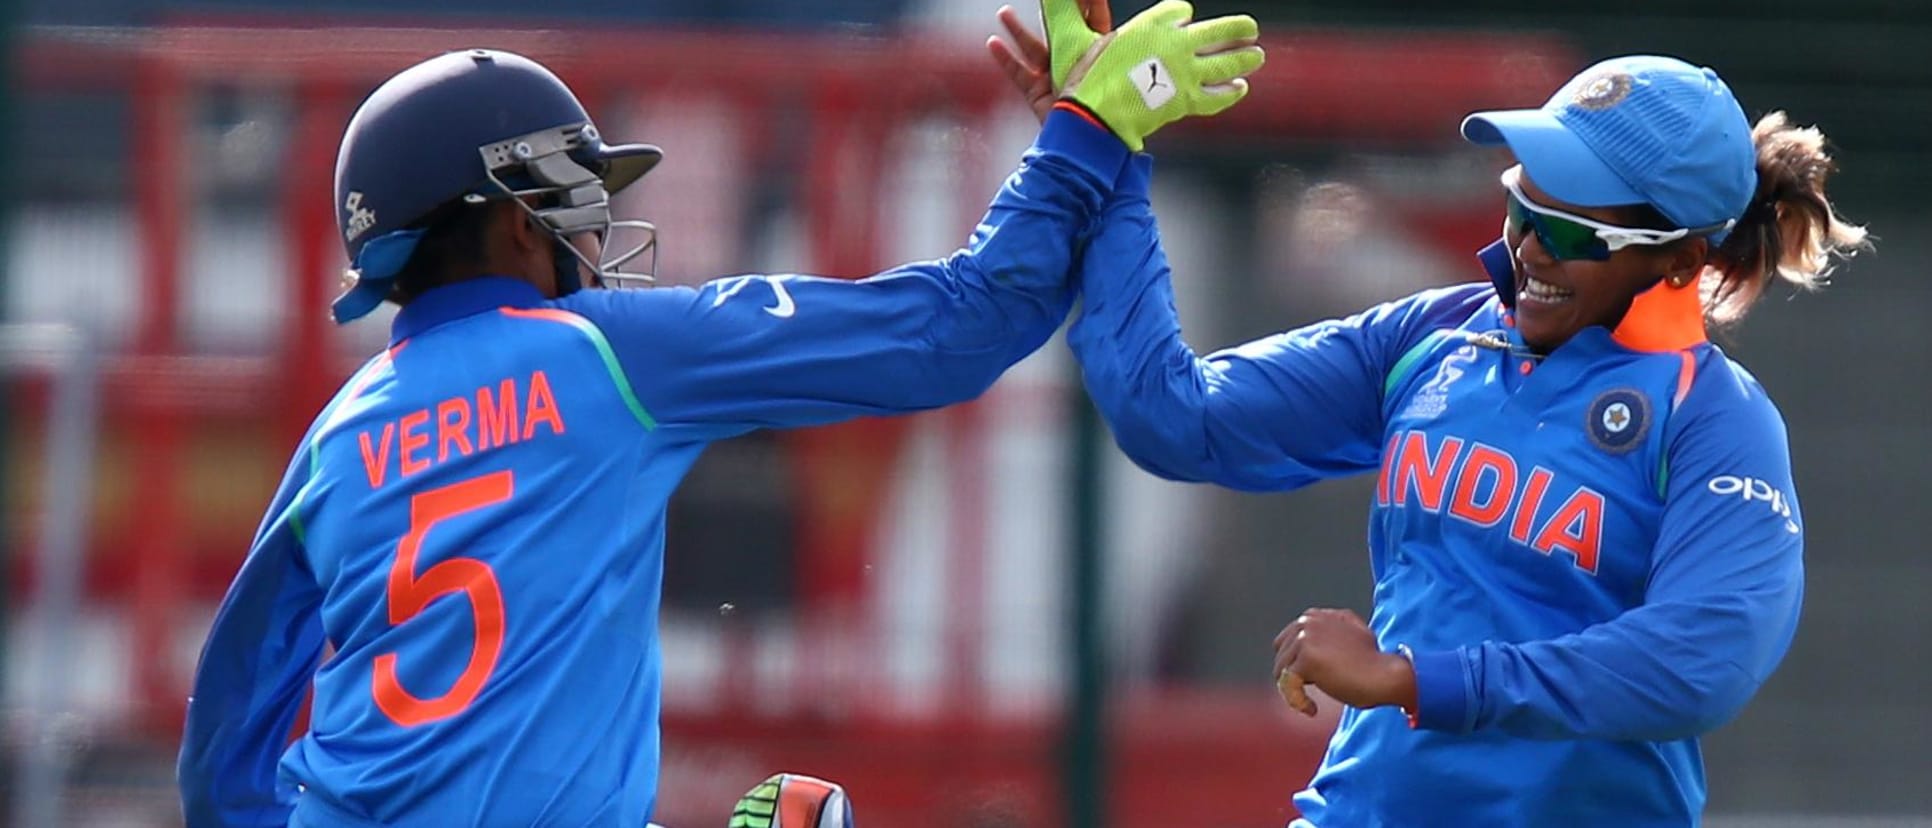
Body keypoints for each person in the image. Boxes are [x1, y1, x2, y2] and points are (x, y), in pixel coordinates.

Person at [175, 11, 1263, 826]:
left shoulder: (340, 436)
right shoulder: (604, 354)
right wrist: (1086, 135)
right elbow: (967, 323)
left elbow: (223, 760)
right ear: (513, 222)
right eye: (571, 205)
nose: (591, 237)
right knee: (806, 809)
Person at [1015, 46, 1865, 825]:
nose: (1527, 248)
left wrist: (1419, 680)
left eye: (1568, 233)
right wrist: (1102, 156)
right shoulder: (1433, 337)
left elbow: (1699, 660)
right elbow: (1175, 417)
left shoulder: (1717, 420)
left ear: (1676, 262)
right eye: (1519, 206)